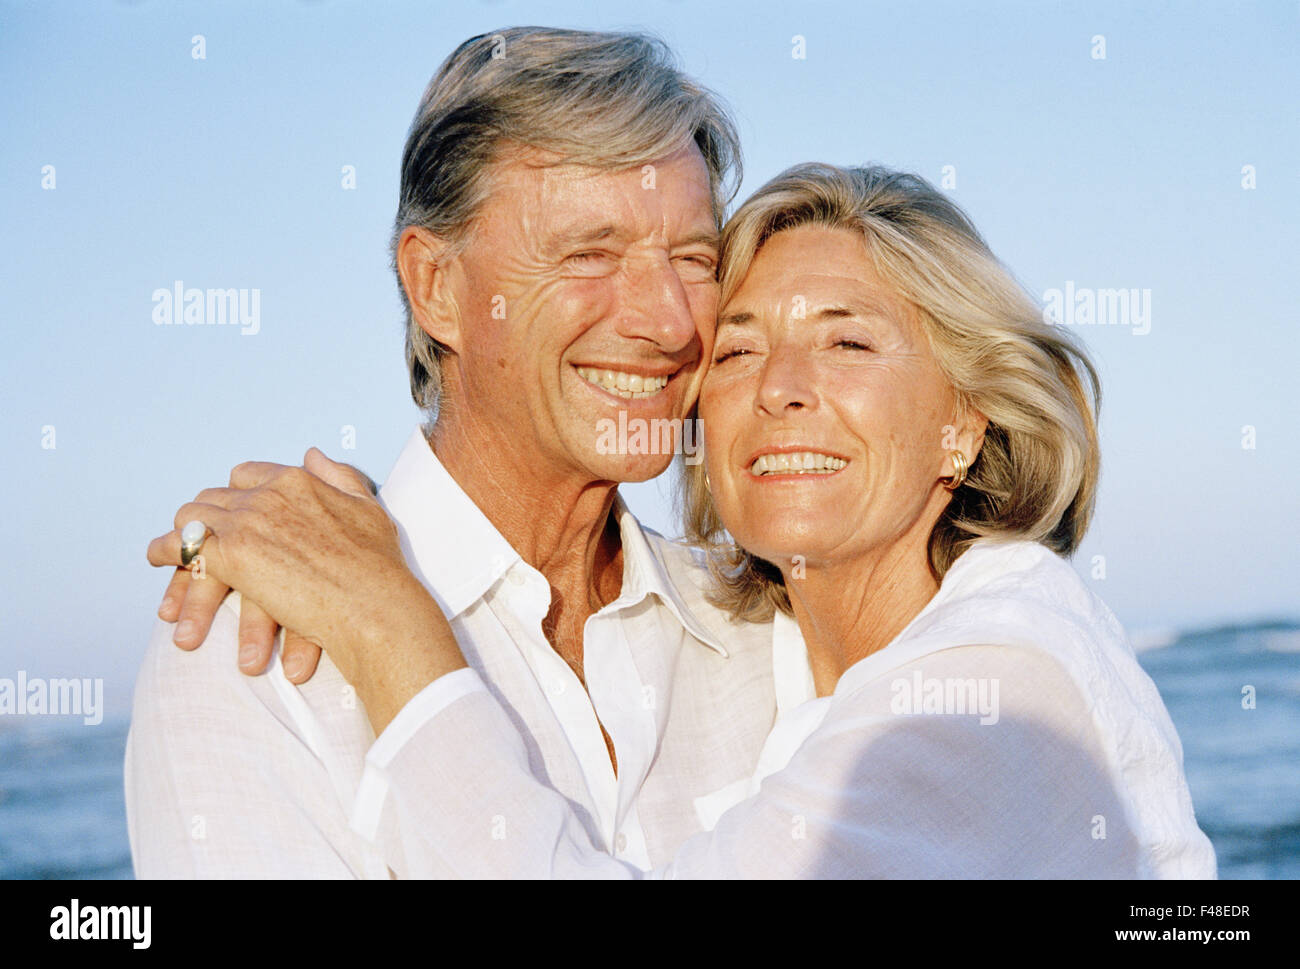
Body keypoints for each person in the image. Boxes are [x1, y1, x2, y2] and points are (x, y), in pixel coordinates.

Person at [148, 163, 1217, 878]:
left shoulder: (993, 680)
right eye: (739, 347)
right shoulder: (783, 647)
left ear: (962, 427)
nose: (781, 387)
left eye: (847, 343)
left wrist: (395, 637)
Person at [126, 26, 784, 878]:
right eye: (590, 253)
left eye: (694, 258)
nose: (666, 321)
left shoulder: (768, 628)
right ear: (436, 287)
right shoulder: (250, 653)